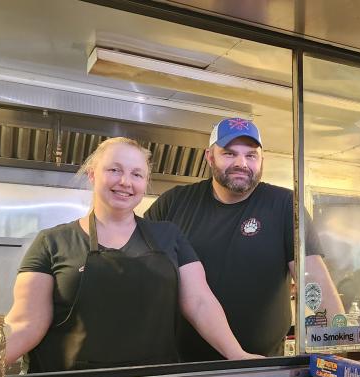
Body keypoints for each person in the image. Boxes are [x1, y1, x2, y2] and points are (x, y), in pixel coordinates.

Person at [4, 137, 260, 372]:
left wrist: (236, 354)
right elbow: (26, 323)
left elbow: (200, 302)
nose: (125, 182)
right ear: (93, 175)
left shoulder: (169, 236)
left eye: (137, 174)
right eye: (114, 170)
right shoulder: (52, 242)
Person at [145, 117, 344, 358]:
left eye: (251, 155)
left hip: (261, 365)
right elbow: (145, 273)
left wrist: (338, 348)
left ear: (262, 160)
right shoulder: (174, 203)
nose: (242, 163)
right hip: (181, 365)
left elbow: (313, 282)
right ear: (209, 157)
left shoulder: (284, 206)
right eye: (229, 154)